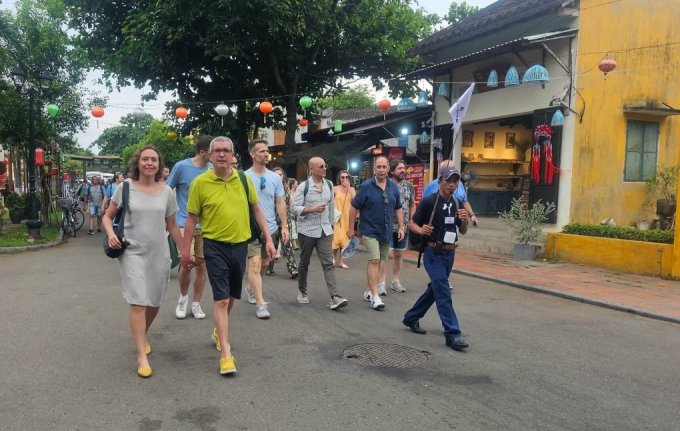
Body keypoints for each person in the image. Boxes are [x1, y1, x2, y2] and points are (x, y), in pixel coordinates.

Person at [181, 136, 276, 375]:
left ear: (233, 156)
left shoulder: (243, 179)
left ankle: (218, 331)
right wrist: (185, 251)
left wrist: (269, 239)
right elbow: (191, 219)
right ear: (210, 156)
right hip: (214, 245)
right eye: (217, 151)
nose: (222, 154)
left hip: (240, 245)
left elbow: (257, 209)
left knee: (232, 295)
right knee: (221, 300)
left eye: (226, 151)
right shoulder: (200, 183)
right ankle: (226, 353)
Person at [102, 145, 183, 378]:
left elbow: (172, 225)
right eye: (145, 159)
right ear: (137, 163)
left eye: (154, 160)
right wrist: (111, 234)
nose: (149, 163)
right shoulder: (124, 187)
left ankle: (142, 334)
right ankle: (141, 356)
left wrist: (185, 251)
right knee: (138, 301)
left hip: (159, 253)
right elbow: (107, 217)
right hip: (132, 252)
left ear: (159, 165)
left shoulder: (167, 192)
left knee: (154, 301)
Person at [403, 166, 469, 351]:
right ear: (440, 182)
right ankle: (453, 334)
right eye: (449, 181)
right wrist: (421, 230)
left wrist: (464, 220)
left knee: (435, 289)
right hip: (433, 253)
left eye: (455, 181)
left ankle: (411, 317)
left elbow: (462, 231)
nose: (452, 185)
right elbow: (412, 224)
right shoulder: (430, 202)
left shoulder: (457, 203)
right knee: (443, 291)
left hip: (450, 253)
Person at [291, 157, 349, 310]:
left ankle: (335, 296)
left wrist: (331, 224)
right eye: (321, 166)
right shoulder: (304, 186)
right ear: (312, 169)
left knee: (328, 263)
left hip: (325, 230)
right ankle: (302, 292)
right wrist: (311, 209)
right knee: (304, 263)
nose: (325, 168)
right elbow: (293, 208)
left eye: (325, 165)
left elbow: (330, 207)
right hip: (307, 230)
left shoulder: (329, 185)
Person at [347, 155, 403, 311]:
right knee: (374, 260)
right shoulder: (366, 186)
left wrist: (401, 227)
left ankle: (367, 290)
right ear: (374, 169)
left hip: (386, 230)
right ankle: (375, 296)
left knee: (380, 262)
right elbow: (354, 207)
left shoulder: (393, 187)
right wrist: (351, 228)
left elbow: (398, 207)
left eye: (384, 167)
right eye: (379, 167)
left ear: (388, 169)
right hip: (370, 230)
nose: (382, 170)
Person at [166, 135, 212, 320]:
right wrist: (166, 220)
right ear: (203, 152)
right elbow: (168, 191)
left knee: (202, 266)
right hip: (184, 222)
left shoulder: (213, 170)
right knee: (187, 263)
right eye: (213, 151)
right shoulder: (181, 167)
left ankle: (196, 303)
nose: (217, 154)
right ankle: (183, 298)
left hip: (207, 226)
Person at [244, 139, 289, 319]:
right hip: (251, 229)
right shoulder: (244, 177)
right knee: (254, 264)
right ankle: (261, 304)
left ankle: (251, 287)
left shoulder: (274, 178)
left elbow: (280, 201)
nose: (265, 154)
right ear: (252, 154)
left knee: (263, 264)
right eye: (261, 151)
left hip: (270, 228)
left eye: (266, 150)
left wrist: (284, 225)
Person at [379, 160, 416, 294]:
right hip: (387, 225)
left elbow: (413, 203)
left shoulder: (409, 186)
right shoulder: (386, 185)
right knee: (386, 254)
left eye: (404, 168)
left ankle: (396, 281)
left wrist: (412, 219)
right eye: (399, 168)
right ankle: (381, 282)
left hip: (403, 226)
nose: (402, 170)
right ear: (392, 171)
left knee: (399, 254)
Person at [423, 160, 479, 227]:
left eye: (453, 168)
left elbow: (464, 202)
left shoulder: (459, 184)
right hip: (436, 224)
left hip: (454, 223)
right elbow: (424, 206)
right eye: (449, 169)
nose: (452, 171)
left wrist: (472, 215)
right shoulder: (431, 186)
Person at [266, 167, 298, 279]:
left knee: (287, 245)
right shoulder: (268, 188)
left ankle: (293, 269)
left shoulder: (285, 188)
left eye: (280, 174)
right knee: (272, 245)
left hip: (285, 221)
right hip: (272, 221)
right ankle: (269, 268)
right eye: (276, 174)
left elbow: (289, 204)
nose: (278, 176)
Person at [332, 170, 356, 269]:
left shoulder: (352, 189)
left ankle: (341, 261)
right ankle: (332, 258)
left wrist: (348, 188)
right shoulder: (335, 188)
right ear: (339, 178)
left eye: (347, 177)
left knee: (345, 238)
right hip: (337, 216)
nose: (344, 179)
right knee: (336, 237)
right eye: (342, 177)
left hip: (348, 216)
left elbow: (356, 200)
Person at [288, 178, 300, 250]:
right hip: (290, 213)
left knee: (296, 229)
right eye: (296, 184)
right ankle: (294, 243)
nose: (298, 185)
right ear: (292, 185)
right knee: (292, 228)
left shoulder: (298, 193)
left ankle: (294, 243)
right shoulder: (289, 193)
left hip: (298, 213)